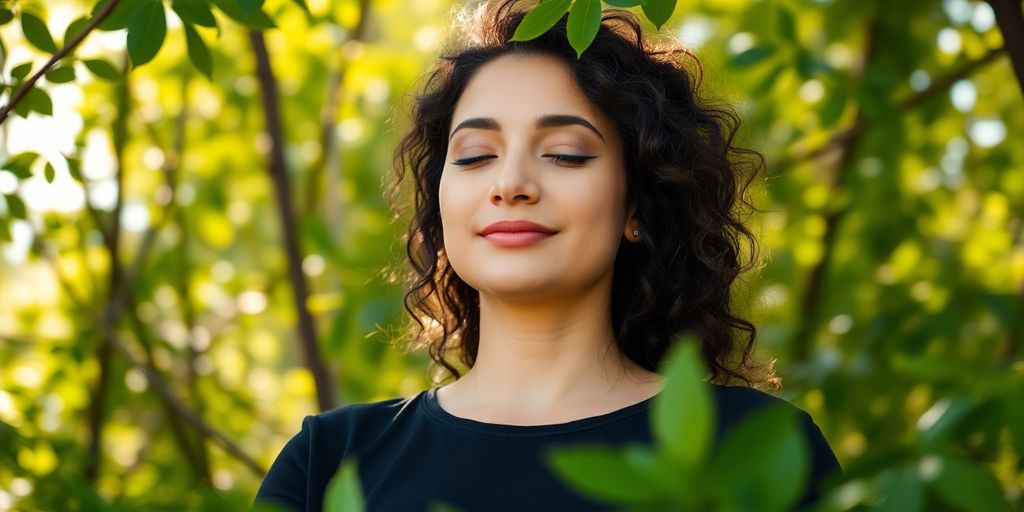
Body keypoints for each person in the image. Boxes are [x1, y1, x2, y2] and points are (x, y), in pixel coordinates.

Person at [255, 0, 842, 510]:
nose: (510, 183)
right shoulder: (327, 463)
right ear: (441, 204)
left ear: (637, 205)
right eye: (475, 155)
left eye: (564, 153)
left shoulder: (759, 447)